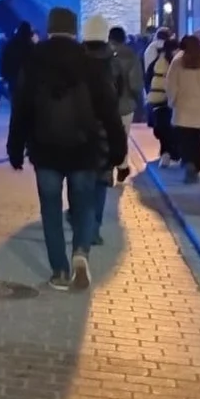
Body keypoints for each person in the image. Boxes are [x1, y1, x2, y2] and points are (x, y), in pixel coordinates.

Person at [7, 7, 126, 291]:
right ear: (74, 30)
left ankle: (59, 271)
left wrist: (15, 147)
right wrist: (118, 151)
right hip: (83, 150)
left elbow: (21, 108)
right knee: (83, 205)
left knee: (50, 209)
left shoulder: (34, 60)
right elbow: (109, 112)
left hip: (45, 149)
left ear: (49, 28)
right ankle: (81, 253)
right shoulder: (89, 62)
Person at [80, 16, 120, 245]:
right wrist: (119, 148)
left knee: (80, 181)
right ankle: (94, 227)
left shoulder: (76, 61)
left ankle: (81, 221)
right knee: (100, 183)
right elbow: (116, 103)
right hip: (104, 134)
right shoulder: (112, 63)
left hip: (79, 132)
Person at [166, 35, 200, 183]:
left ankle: (189, 164)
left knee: (185, 140)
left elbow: (171, 86)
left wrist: (172, 102)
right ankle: (196, 166)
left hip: (183, 108)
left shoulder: (177, 62)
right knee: (197, 139)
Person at [108, 25, 143, 183]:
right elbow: (136, 83)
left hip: (106, 105)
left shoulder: (104, 55)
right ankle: (122, 166)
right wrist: (136, 98)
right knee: (123, 137)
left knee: (107, 137)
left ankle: (107, 169)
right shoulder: (131, 55)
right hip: (126, 104)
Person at [143, 28, 179, 166]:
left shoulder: (153, 57)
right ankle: (174, 154)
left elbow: (147, 77)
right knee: (173, 128)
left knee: (162, 127)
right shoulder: (178, 61)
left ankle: (165, 152)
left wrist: (149, 93)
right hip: (173, 99)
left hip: (157, 98)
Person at [0, 21, 34, 113]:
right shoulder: (31, 45)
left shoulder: (11, 44)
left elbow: (4, 59)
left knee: (15, 104)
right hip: (28, 79)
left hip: (13, 77)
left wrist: (3, 74)